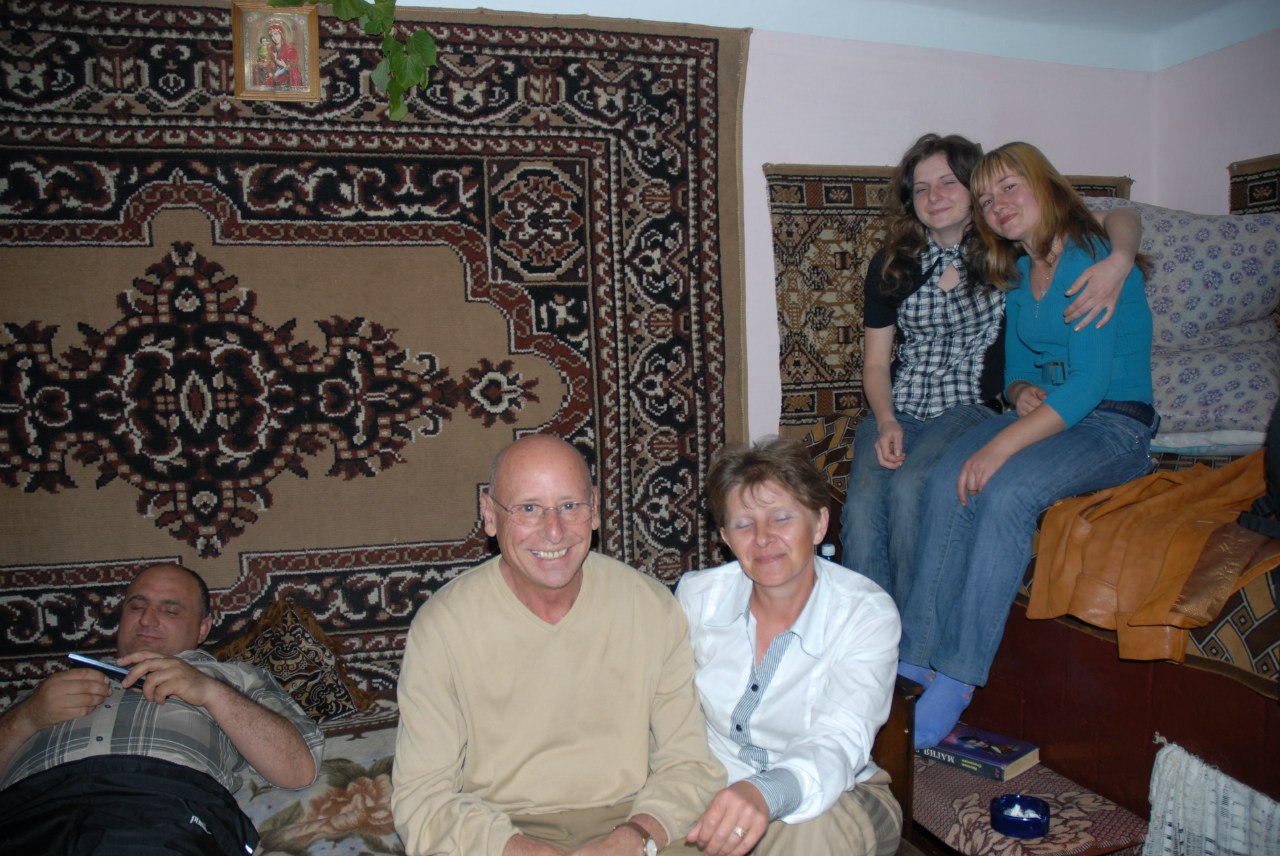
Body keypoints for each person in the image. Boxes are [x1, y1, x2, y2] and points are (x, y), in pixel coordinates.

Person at [898, 141, 1157, 749]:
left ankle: (958, 677)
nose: (997, 205)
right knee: (945, 475)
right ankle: (916, 657)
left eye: (1009, 188)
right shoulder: (1021, 269)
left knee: (1004, 491)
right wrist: (1018, 392)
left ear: (1044, 185)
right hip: (1053, 413)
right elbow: (1016, 367)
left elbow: (1089, 385)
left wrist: (999, 448)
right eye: (987, 199)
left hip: (1115, 424)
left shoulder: (1090, 257)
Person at [840, 132, 1143, 607]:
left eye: (948, 183)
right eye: (921, 188)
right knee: (860, 507)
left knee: (911, 488)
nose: (934, 196)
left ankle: (909, 626)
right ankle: (861, 631)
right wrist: (885, 420)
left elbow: (1114, 217)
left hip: (968, 410)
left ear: (972, 190)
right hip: (898, 408)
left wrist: (1120, 259)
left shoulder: (1007, 249)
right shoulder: (892, 264)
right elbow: (876, 363)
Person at [392, 434, 724, 856]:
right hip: (498, 831)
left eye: (570, 506)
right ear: (490, 515)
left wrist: (635, 837)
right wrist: (517, 848)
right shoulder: (442, 628)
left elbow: (690, 765)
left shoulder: (652, 608)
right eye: (528, 509)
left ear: (595, 509)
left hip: (632, 818)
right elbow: (421, 797)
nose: (554, 531)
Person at [0, 562, 324, 854]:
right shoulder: (48, 689)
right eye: (136, 606)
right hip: (29, 812)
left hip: (162, 804)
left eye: (170, 611)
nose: (146, 619)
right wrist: (28, 717)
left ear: (203, 628)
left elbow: (298, 770)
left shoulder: (234, 679)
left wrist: (210, 691)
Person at [677, 437, 902, 856]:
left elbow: (840, 737)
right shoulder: (697, 599)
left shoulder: (866, 614)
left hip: (838, 793)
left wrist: (765, 792)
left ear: (818, 524)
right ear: (725, 537)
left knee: (810, 836)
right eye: (744, 525)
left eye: (781, 518)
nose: (763, 538)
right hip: (716, 791)